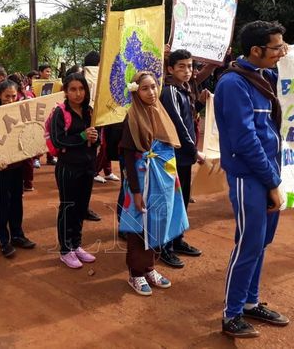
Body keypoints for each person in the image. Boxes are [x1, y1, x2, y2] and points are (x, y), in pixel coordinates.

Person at [215, 21, 290, 338]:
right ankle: (231, 314)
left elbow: (280, 71)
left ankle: (250, 302)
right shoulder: (234, 84)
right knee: (248, 243)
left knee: (262, 242)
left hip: (269, 171)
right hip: (250, 175)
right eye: (276, 47)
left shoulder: (263, 76)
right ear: (256, 50)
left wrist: (282, 54)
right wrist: (272, 182)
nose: (281, 52)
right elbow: (246, 140)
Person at [118, 71, 188, 296]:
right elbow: (128, 157)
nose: (151, 92)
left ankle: (149, 268)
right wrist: (136, 192)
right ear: (136, 91)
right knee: (139, 227)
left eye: (153, 87)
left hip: (162, 182)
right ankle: (135, 273)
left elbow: (167, 148)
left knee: (157, 223)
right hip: (141, 180)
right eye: (145, 88)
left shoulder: (160, 112)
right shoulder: (133, 117)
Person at [158, 49, 207, 268]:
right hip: (172, 155)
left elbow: (189, 117)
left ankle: (177, 241)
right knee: (171, 202)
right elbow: (178, 125)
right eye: (181, 67)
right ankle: (165, 248)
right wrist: (194, 149)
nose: (187, 71)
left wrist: (202, 102)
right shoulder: (169, 91)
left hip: (184, 156)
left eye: (190, 66)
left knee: (183, 200)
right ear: (170, 69)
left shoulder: (184, 88)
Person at [50, 73, 99, 268]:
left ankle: (76, 245)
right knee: (68, 207)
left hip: (88, 166)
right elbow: (58, 140)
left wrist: (95, 137)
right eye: (73, 89)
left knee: (81, 208)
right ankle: (65, 249)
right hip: (68, 168)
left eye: (81, 89)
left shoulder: (90, 111)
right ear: (65, 91)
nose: (78, 94)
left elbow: (98, 135)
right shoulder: (60, 113)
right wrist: (81, 135)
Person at [0, 80, 36, 258]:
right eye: (7, 96)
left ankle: (17, 235)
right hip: (1, 168)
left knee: (17, 201)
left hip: (18, 165)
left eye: (13, 96)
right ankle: (4, 240)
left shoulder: (21, 113)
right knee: (4, 203)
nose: (11, 100)